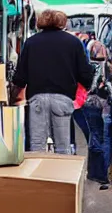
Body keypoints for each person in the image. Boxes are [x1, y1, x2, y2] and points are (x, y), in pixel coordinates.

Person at [13, 10, 94, 154]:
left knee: (36, 145)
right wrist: (85, 86)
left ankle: (38, 174)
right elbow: (85, 73)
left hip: (36, 97)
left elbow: (20, 76)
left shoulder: (31, 42)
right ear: (62, 22)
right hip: (63, 97)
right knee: (63, 146)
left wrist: (16, 91)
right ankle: (60, 175)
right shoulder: (74, 42)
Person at [81, 40, 112, 189]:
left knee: (95, 137)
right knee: (100, 138)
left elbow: (91, 86)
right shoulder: (105, 67)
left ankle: (96, 172)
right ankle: (99, 173)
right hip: (102, 105)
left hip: (91, 103)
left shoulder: (90, 66)